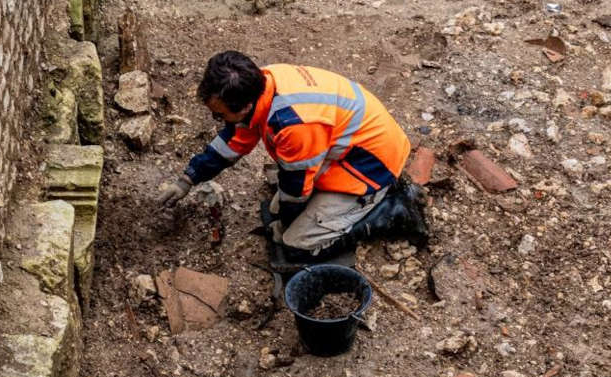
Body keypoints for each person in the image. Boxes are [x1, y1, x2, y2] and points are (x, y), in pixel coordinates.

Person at [156, 52, 426, 258]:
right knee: (277, 210)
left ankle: (393, 210)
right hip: (342, 147)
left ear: (245, 107)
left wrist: (287, 226)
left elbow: (296, 190)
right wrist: (188, 179)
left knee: (297, 244)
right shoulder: (261, 83)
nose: (218, 119)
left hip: (372, 163)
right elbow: (234, 141)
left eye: (221, 114)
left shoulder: (291, 124)